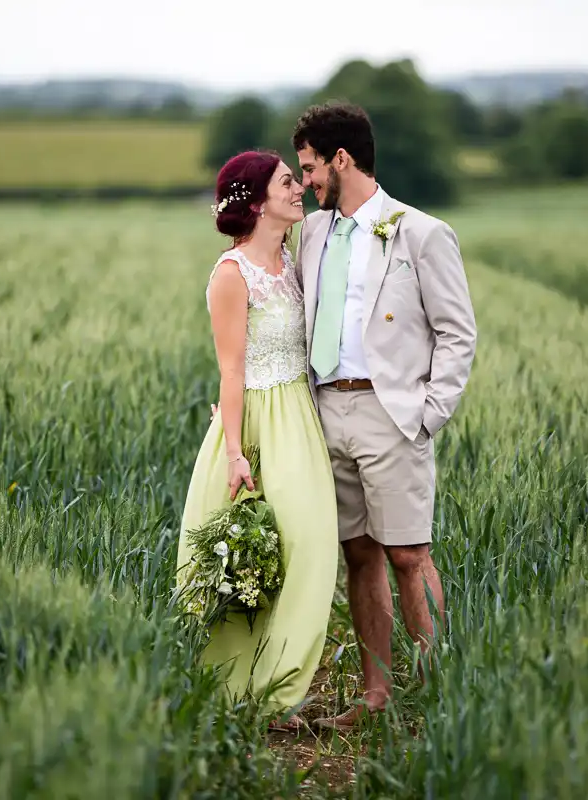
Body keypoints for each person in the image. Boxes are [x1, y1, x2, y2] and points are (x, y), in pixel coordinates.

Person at [292, 102, 477, 730]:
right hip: (325, 409)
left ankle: (433, 694)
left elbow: (458, 332)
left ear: (342, 159)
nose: (307, 181)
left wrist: (429, 414)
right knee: (359, 554)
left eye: (311, 167)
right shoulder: (312, 233)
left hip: (391, 412)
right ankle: (376, 695)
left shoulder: (420, 232)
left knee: (408, 554)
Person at [175, 150, 339, 732]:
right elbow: (231, 370)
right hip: (256, 425)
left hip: (300, 417)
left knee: (312, 547)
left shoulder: (293, 259)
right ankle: (233, 695)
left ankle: (276, 694)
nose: (299, 189)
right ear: (255, 199)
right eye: (287, 182)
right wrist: (237, 452)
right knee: (252, 561)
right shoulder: (231, 273)